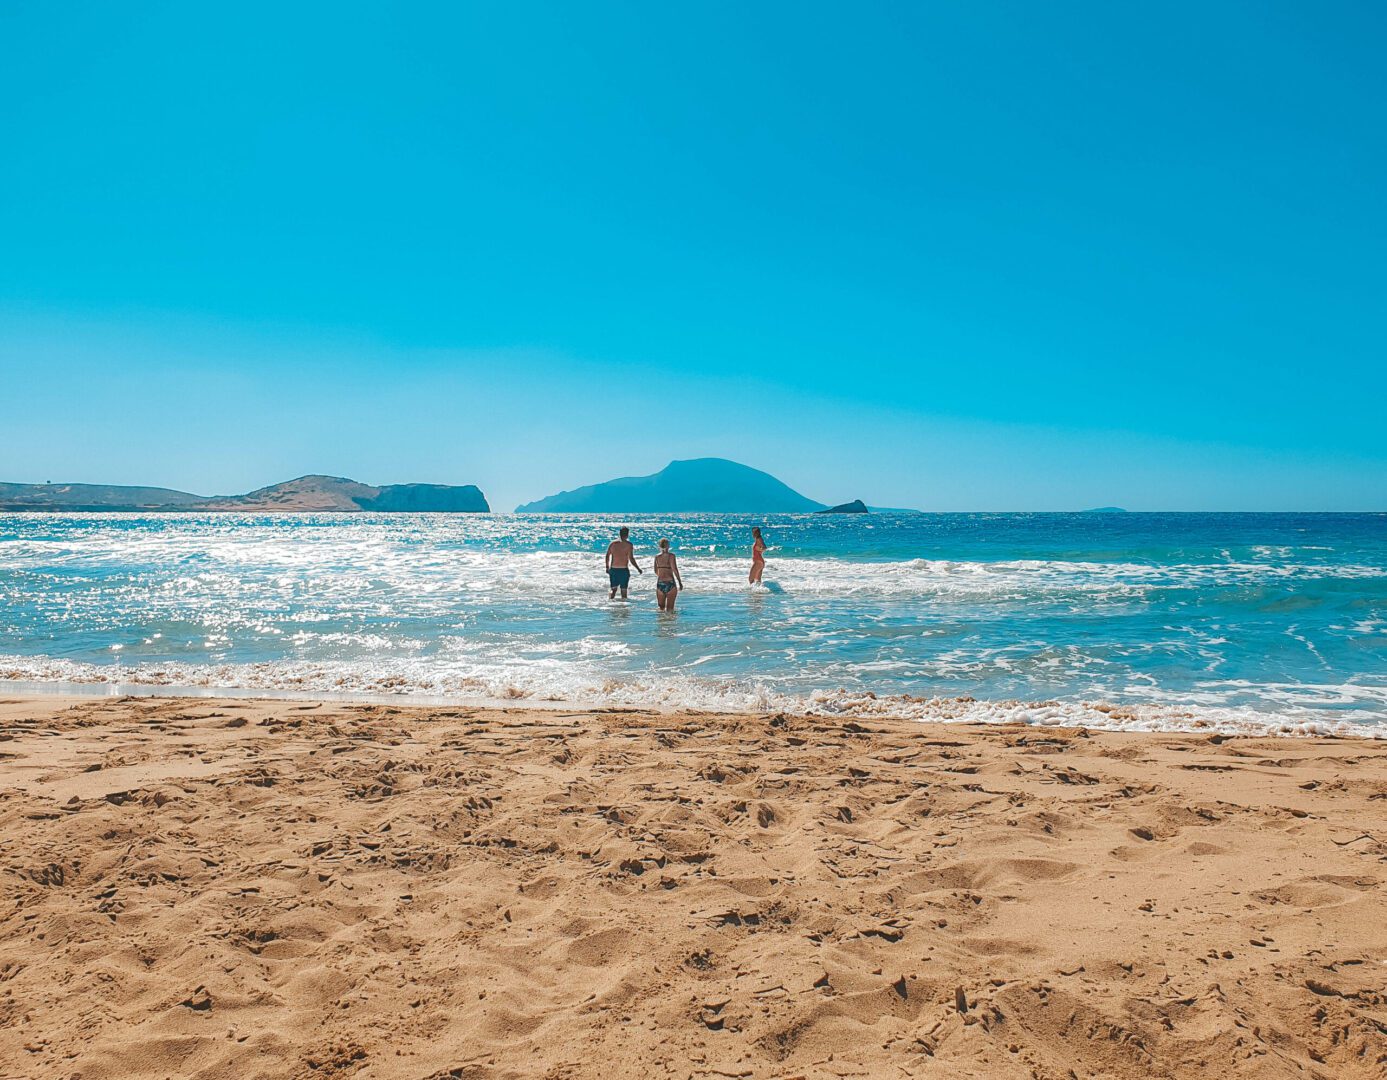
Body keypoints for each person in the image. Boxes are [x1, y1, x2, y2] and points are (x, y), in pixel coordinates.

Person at [605, 526, 642, 600]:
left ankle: (609, 605)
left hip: (614, 570)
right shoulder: (629, 545)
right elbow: (631, 559)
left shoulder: (613, 544)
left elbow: (607, 556)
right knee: (624, 591)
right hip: (623, 570)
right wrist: (638, 568)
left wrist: (607, 567)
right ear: (627, 534)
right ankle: (624, 608)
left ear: (620, 534)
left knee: (613, 590)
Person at [653, 537, 683, 611]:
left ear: (660, 546)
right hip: (670, 583)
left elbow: (655, 571)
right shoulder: (671, 556)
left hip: (660, 584)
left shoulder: (657, 557)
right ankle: (669, 622)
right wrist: (680, 582)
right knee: (670, 610)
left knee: (661, 609)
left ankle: (662, 622)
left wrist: (662, 575)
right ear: (668, 546)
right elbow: (675, 569)